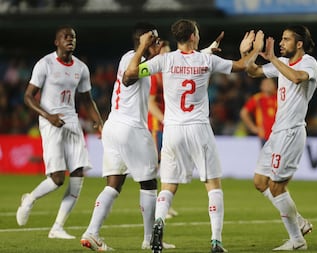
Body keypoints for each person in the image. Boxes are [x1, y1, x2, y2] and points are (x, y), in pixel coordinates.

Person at [123, 19, 264, 253]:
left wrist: (140, 48)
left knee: (168, 185)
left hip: (173, 129)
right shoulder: (206, 60)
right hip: (198, 127)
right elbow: (241, 66)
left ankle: (158, 223)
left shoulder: (164, 61)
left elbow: (130, 73)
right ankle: (216, 241)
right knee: (213, 185)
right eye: (197, 33)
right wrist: (255, 49)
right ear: (192, 37)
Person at [80, 22, 175, 251]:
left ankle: (92, 232)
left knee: (114, 184)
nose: (159, 43)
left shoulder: (139, 61)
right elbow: (128, 78)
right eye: (155, 39)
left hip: (114, 126)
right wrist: (143, 46)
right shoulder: (132, 59)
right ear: (144, 40)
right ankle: (150, 239)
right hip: (131, 127)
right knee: (149, 183)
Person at [16, 25, 103, 239]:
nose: (70, 39)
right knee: (57, 179)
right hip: (50, 121)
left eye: (73, 37)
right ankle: (29, 199)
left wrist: (98, 121)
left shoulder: (81, 68)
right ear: (57, 42)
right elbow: (28, 96)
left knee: (78, 173)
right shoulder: (44, 64)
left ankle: (57, 227)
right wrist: (48, 116)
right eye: (65, 37)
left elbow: (85, 99)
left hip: (71, 121)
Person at [245, 25, 317, 250]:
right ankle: (299, 222)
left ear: (299, 44)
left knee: (277, 187)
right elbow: (254, 72)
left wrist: (274, 59)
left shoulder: (309, 63)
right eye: (281, 39)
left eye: (286, 39)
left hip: (291, 132)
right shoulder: (283, 64)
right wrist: (247, 54)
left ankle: (297, 241)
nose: (281, 42)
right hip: (277, 132)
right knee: (260, 182)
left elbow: (297, 78)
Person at [148, 40, 179, 220]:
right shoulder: (154, 75)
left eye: (168, 53)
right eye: (163, 53)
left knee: (169, 164)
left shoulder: (170, 73)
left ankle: (166, 205)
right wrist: (164, 120)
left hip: (169, 124)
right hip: (156, 126)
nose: (165, 57)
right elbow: (150, 103)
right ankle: (154, 206)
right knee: (157, 165)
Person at [240, 78, 277, 145]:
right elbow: (243, 112)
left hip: (279, 134)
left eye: (269, 83)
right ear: (261, 86)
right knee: (266, 155)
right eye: (265, 84)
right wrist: (253, 128)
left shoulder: (279, 97)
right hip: (264, 135)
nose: (267, 85)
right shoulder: (257, 99)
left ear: (274, 85)